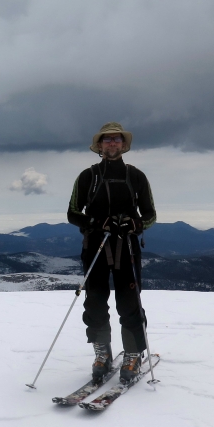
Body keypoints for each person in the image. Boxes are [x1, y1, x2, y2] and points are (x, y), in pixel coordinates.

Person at [67, 122, 157, 383]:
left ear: (123, 144)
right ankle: (102, 352)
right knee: (94, 300)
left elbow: (150, 214)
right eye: (107, 139)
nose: (112, 143)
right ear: (100, 145)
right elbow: (73, 213)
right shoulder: (88, 176)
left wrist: (135, 224)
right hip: (95, 246)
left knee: (129, 301)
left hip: (126, 246)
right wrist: (95, 224)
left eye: (117, 139)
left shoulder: (136, 176)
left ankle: (132, 354)